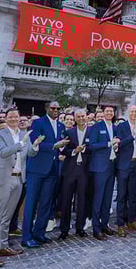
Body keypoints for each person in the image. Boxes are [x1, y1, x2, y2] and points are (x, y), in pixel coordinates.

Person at [0, 108, 41, 267]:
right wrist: (20, 144)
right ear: (6, 118)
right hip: (3, 179)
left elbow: (30, 153)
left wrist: (35, 145)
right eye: (11, 116)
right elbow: (2, 152)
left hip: (19, 179)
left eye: (17, 116)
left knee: (7, 216)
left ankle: (2, 246)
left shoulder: (24, 134)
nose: (14, 119)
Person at [23, 101, 68, 248]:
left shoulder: (61, 126)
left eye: (58, 108)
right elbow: (35, 142)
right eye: (53, 108)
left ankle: (39, 233)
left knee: (46, 203)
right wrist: (54, 146)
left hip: (52, 169)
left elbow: (62, 144)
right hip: (37, 169)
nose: (56, 110)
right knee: (31, 204)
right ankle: (26, 236)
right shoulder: (38, 123)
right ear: (47, 108)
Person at [58, 108, 91, 240]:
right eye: (78, 117)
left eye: (83, 116)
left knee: (82, 200)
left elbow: (95, 148)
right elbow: (63, 150)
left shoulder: (92, 132)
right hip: (70, 170)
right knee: (66, 200)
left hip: (85, 170)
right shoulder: (69, 132)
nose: (81, 118)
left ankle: (80, 228)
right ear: (75, 118)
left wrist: (85, 149)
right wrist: (74, 151)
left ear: (86, 117)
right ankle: (64, 229)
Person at [88, 105, 120, 241]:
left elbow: (116, 144)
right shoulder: (96, 127)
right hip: (100, 167)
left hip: (112, 166)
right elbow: (92, 145)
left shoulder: (116, 128)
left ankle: (104, 224)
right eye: (107, 111)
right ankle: (96, 229)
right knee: (98, 198)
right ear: (103, 113)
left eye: (111, 111)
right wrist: (109, 143)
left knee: (107, 198)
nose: (109, 113)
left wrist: (116, 146)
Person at [114, 105, 136, 236]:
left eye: (135, 112)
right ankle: (120, 224)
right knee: (121, 195)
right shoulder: (121, 126)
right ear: (128, 113)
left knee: (133, 195)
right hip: (124, 165)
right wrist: (132, 136)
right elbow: (119, 144)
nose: (134, 114)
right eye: (132, 111)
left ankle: (131, 221)